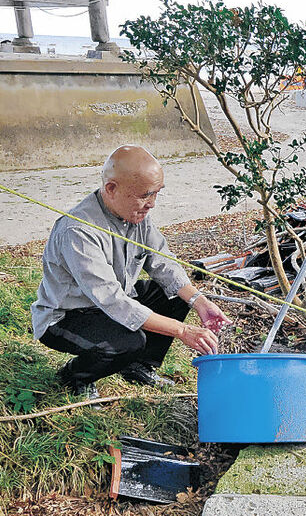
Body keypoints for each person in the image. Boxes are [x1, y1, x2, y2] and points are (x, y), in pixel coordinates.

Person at [31, 145, 231, 398]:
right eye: (145, 195)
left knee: (173, 294)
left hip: (112, 302)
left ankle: (139, 367)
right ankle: (74, 376)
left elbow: (164, 263)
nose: (152, 204)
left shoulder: (135, 214)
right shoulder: (78, 231)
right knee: (128, 342)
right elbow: (114, 302)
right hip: (68, 316)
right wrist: (182, 331)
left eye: (157, 194)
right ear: (111, 189)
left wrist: (199, 302)